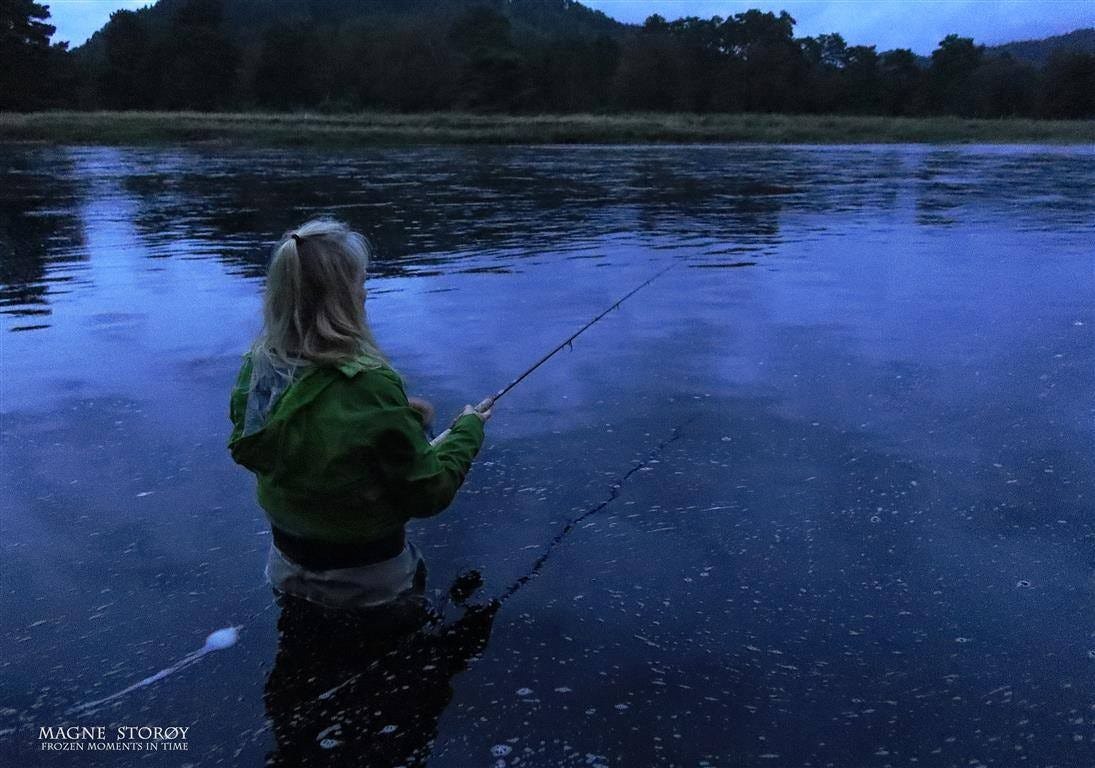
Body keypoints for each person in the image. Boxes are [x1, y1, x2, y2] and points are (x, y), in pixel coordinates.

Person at [227, 218, 491, 610]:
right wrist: (467, 430)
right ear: (342, 299)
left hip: (287, 567)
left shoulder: (260, 366)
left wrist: (406, 418)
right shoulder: (370, 385)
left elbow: (312, 438)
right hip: (368, 584)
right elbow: (429, 493)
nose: (365, 294)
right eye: (361, 284)